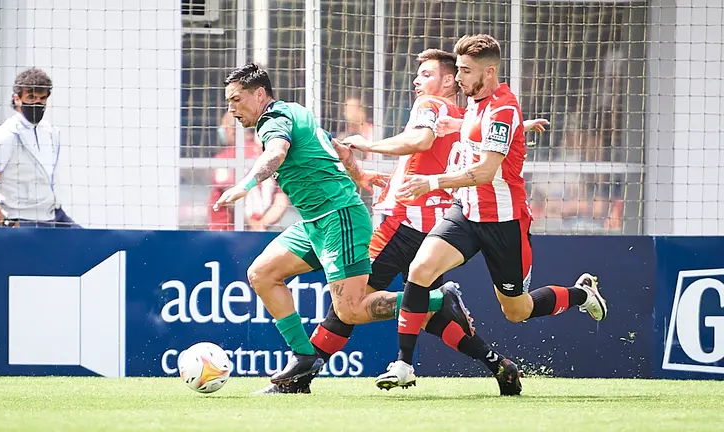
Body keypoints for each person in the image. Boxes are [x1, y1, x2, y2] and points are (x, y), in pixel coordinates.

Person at [376, 34, 608, 389]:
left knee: (517, 311)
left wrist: (432, 182)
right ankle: (404, 365)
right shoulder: (476, 100)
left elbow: (485, 171)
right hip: (466, 213)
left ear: (490, 71)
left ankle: (581, 294)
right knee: (420, 270)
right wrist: (521, 127)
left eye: (466, 71)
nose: (459, 78)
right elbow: (467, 128)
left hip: (503, 223)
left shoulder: (502, 108)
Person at [213, 64, 450, 394]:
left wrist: (246, 184)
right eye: (228, 102)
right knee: (262, 274)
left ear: (259, 94)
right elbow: (336, 146)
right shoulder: (294, 111)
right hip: (315, 222)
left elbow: (277, 153)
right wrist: (361, 176)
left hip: (340, 219)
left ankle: (439, 299)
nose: (231, 109)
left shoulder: (273, 122)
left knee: (350, 311)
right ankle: (304, 357)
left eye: (236, 100)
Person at [0, 67, 78, 228]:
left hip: (55, 216)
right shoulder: (6, 135)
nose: (37, 103)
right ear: (17, 99)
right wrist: (5, 223)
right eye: (31, 97)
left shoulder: (51, 133)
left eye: (42, 98)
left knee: (93, 247)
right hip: (23, 220)